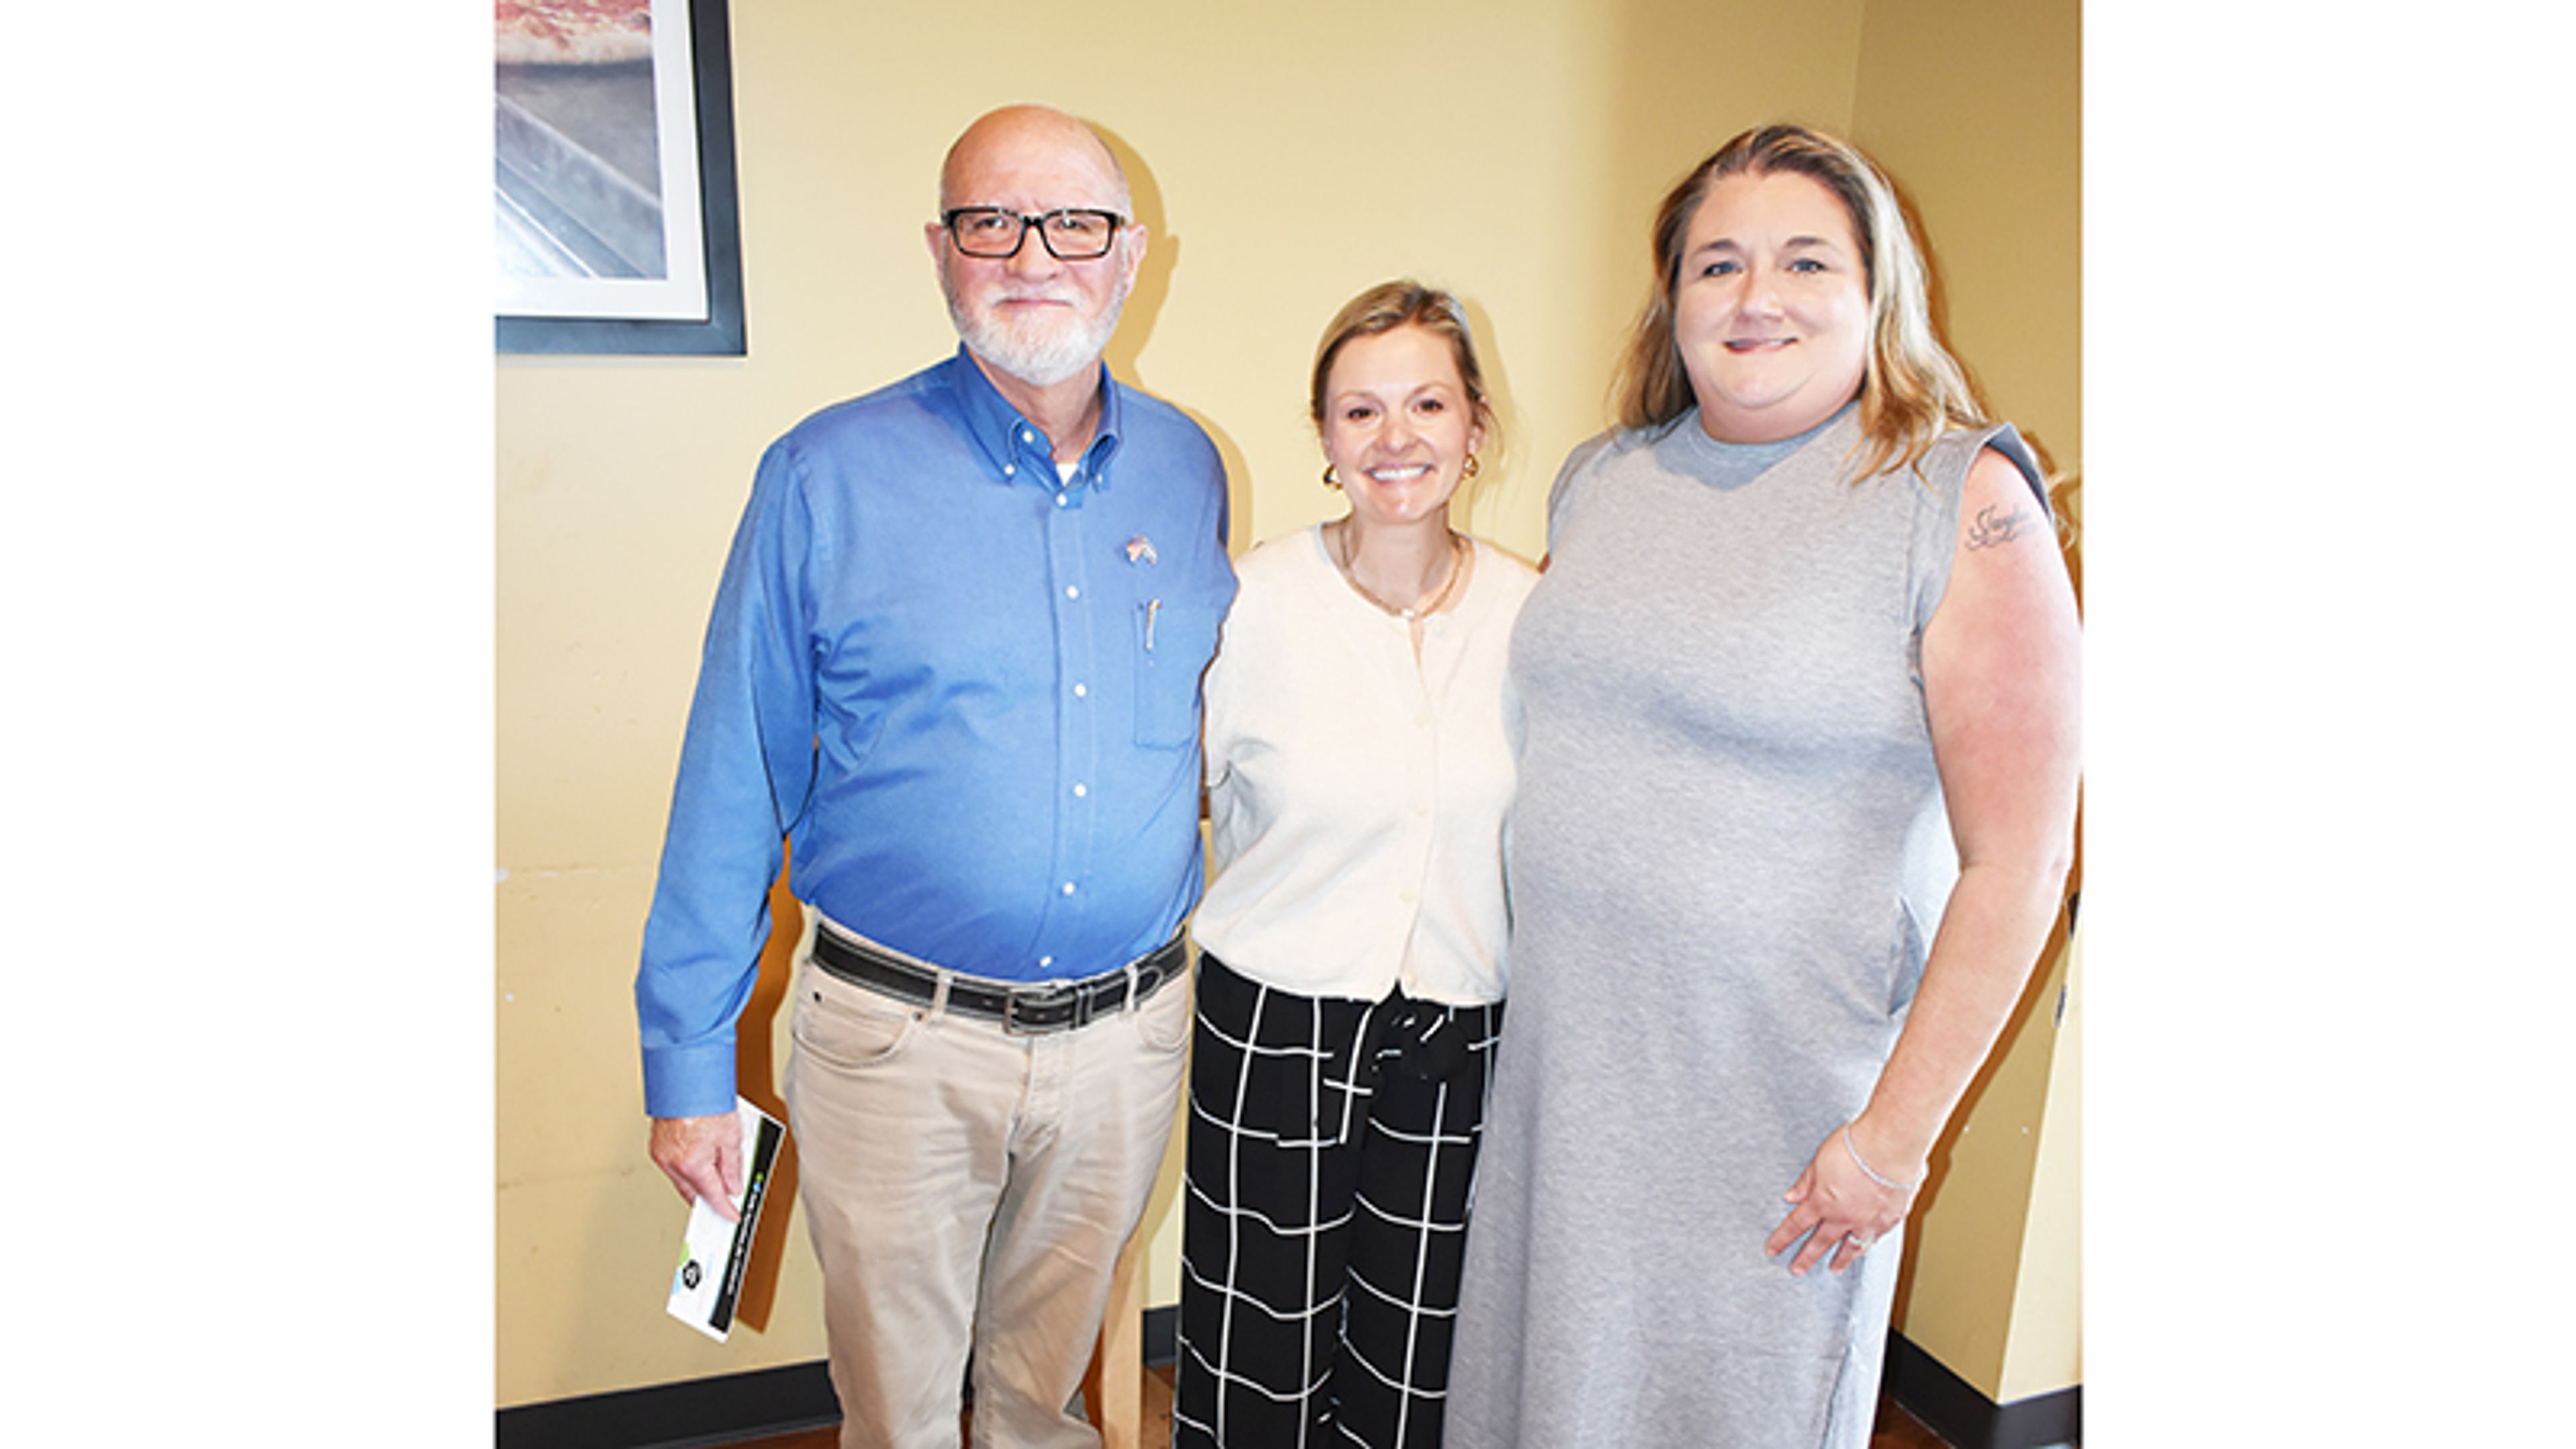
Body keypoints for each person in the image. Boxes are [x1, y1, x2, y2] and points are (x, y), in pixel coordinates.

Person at [1444, 123, 2082, 1447]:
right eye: (1716, 263)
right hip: (1570, 1078)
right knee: (1543, 1404)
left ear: (1876, 292)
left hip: (1775, 1116)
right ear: (1670, 296)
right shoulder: (1603, 479)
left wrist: (1891, 1145)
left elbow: (2021, 863)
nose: (1755, 296)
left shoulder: (1960, 499)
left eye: (1806, 260)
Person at [631, 104, 1234, 1449]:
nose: (1033, 255)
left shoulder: (1189, 473)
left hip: (1125, 1047)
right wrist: (688, 1058)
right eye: (990, 222)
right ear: (941, 251)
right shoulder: (825, 475)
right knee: (900, 1412)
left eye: (1073, 223)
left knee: (1042, 1396)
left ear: (1130, 256)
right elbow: (733, 769)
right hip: (898, 1047)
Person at [1171, 282, 1537, 1449]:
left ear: (1476, 424)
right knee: (1253, 1360)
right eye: (1361, 410)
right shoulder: (1247, 605)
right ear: (1324, 437)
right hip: (1276, 1027)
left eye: (1428, 403)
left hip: (1456, 1034)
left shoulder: (1536, 616)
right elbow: (1172, 802)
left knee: (1419, 1359)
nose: (1398, 439)